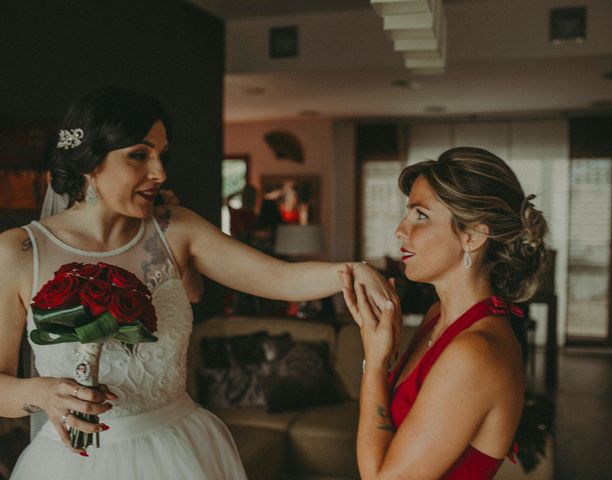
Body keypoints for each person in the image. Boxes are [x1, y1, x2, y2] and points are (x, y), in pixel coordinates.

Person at [0, 86, 395, 480]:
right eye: (139, 155)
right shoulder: (18, 252)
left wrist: (354, 270)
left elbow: (280, 278)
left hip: (176, 453)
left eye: (161, 154)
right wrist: (41, 394)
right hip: (72, 467)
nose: (159, 173)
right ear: (89, 161)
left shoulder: (176, 229)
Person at [340, 147, 548, 479]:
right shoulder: (438, 316)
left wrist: (376, 363)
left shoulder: (474, 353)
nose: (400, 230)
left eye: (420, 215)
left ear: (473, 236)